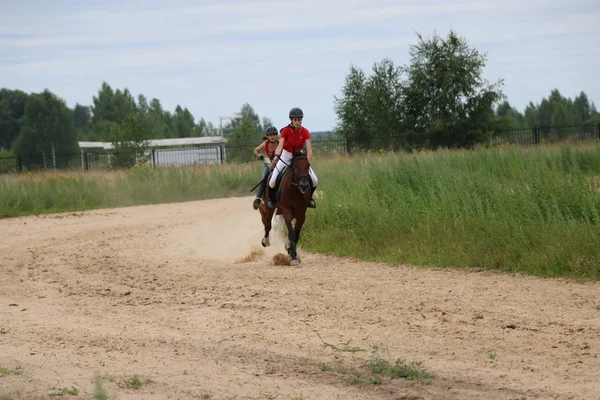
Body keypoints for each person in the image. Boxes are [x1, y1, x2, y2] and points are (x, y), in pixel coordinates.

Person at [267, 107, 318, 209]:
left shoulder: (305, 132)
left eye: (299, 119)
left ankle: (309, 199)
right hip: (286, 155)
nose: (297, 122)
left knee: (315, 180)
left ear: (301, 120)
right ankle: (272, 200)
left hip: (299, 156)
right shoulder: (285, 131)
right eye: (295, 120)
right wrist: (276, 156)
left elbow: (309, 149)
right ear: (291, 120)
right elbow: (280, 146)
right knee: (272, 181)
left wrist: (306, 163)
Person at [252, 126, 279, 210]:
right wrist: (261, 156)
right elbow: (255, 150)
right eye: (270, 135)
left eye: (274, 134)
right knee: (264, 178)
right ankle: (258, 198)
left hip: (279, 164)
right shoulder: (265, 144)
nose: (272, 137)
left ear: (276, 135)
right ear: (267, 136)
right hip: (268, 164)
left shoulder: (280, 142)